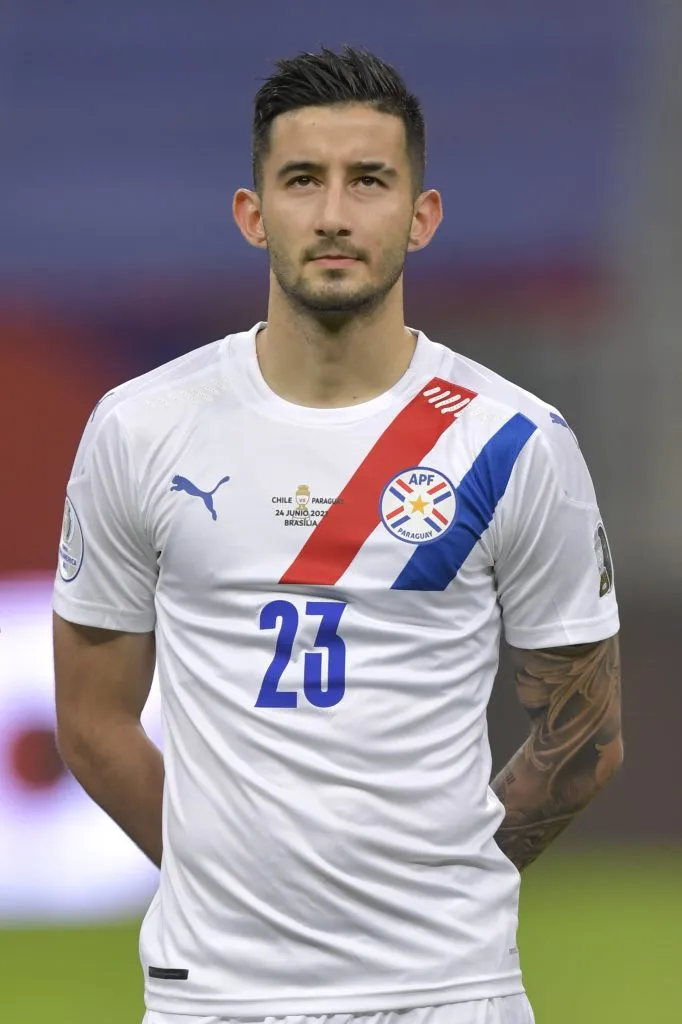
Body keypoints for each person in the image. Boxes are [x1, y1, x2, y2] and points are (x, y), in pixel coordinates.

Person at [52, 46, 623, 1024]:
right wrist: (225, 880)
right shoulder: (140, 426)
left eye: (369, 180)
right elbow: (93, 719)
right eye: (301, 179)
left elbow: (585, 738)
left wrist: (438, 893)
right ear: (252, 212)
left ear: (420, 215)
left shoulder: (512, 441)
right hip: (215, 995)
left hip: (449, 990)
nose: (331, 214)